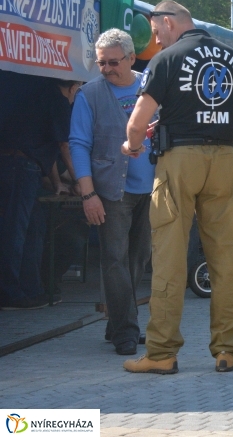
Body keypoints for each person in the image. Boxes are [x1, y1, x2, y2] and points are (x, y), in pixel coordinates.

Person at [121, 0, 233, 375]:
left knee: (170, 256)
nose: (156, 39)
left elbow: (135, 123)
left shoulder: (165, 59)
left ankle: (161, 352)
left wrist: (133, 145)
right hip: (224, 160)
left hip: (179, 162)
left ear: (167, 21)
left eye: (157, 31)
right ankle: (228, 351)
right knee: (226, 256)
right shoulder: (231, 57)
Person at [69, 29, 156, 355]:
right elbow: (79, 144)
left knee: (137, 260)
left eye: (113, 62)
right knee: (114, 262)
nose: (105, 68)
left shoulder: (151, 87)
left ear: (132, 58)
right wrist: (88, 195)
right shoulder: (89, 94)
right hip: (110, 192)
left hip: (150, 190)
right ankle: (126, 332)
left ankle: (118, 322)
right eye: (101, 62)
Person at [0, 77, 79, 310]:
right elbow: (64, 146)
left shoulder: (39, 96)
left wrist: (57, 183)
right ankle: (10, 293)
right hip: (20, 168)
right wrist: (80, 181)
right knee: (16, 232)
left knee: (32, 229)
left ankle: (30, 289)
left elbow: (48, 150)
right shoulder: (59, 100)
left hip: (24, 166)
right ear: (74, 87)